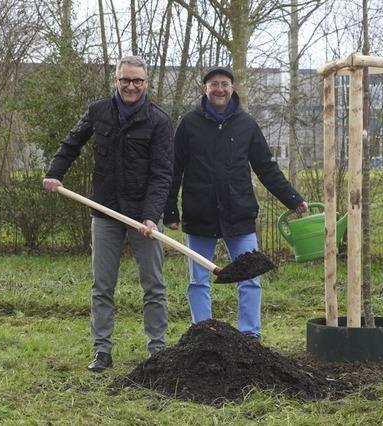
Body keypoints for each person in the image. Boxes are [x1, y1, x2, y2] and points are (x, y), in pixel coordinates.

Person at [43, 56, 174, 372]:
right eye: (125, 80)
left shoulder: (159, 121)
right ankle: (102, 352)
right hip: (104, 211)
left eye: (137, 81)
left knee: (153, 285)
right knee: (102, 285)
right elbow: (71, 143)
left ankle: (157, 352)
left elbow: (162, 173)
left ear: (146, 83)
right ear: (116, 81)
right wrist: (54, 172)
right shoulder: (98, 111)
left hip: (144, 215)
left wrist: (150, 216)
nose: (131, 86)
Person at [164, 65, 307, 339]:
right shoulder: (189, 124)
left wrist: (292, 199)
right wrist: (170, 209)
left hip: (239, 214)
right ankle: (202, 335)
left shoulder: (247, 125)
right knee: (198, 281)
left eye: (225, 84)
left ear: (232, 88)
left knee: (250, 279)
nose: (220, 89)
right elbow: (174, 169)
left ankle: (250, 336)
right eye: (214, 84)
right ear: (205, 89)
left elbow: (266, 168)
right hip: (199, 215)